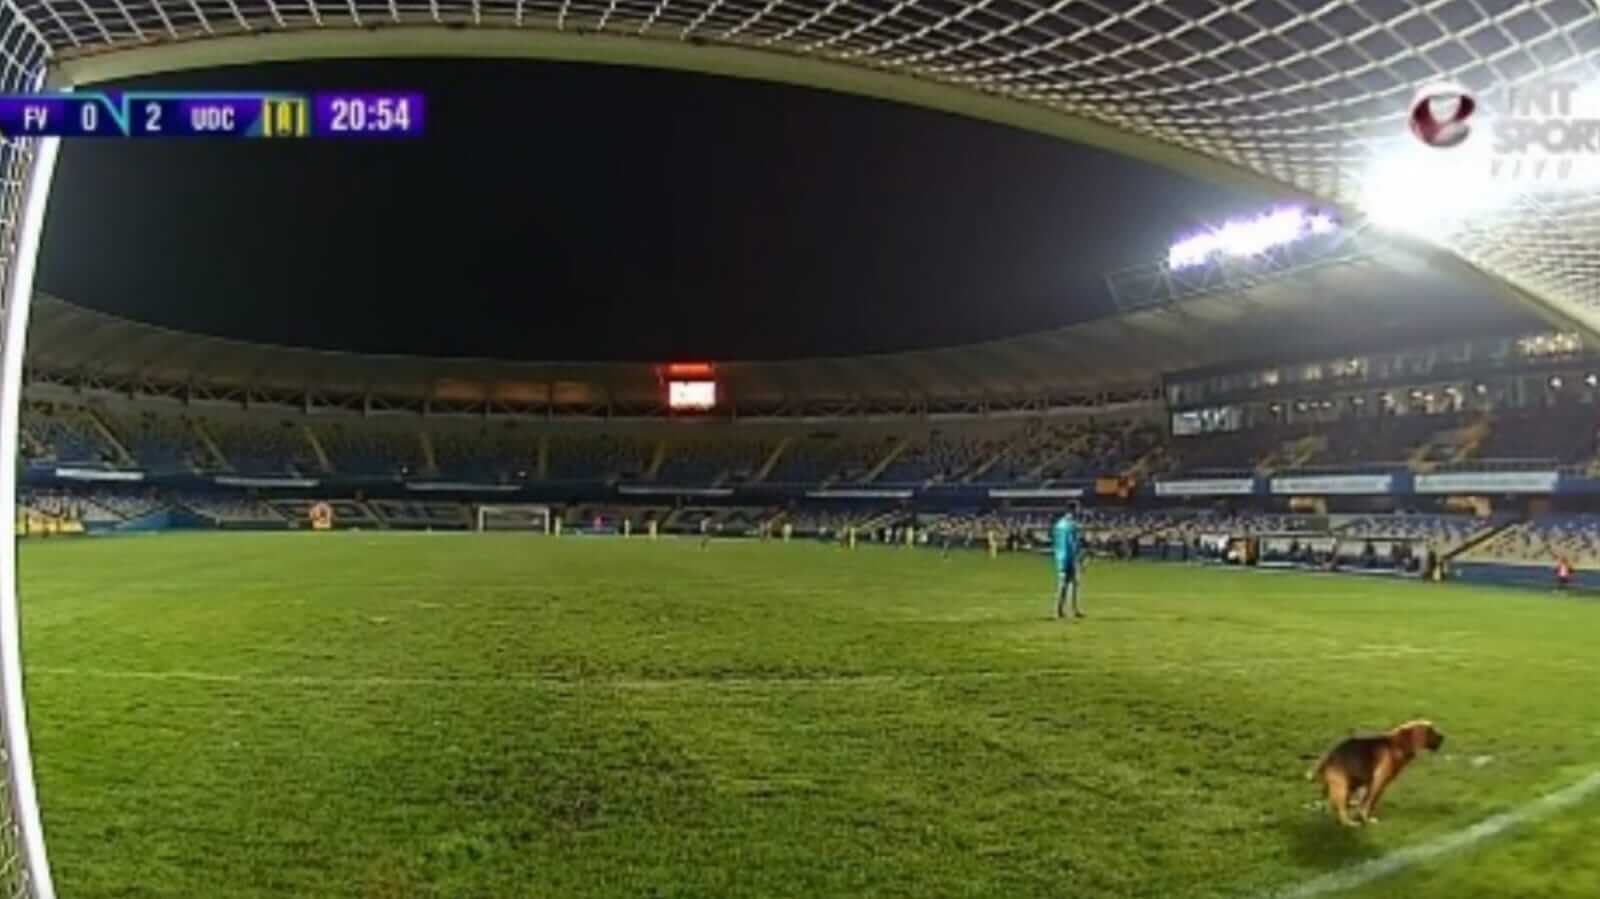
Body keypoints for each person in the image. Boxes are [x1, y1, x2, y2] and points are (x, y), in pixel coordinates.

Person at [1052, 509, 1084, 620]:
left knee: (1068, 584)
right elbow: (1073, 542)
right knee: (1070, 584)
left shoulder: (1058, 524)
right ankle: (1067, 610)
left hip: (1060, 557)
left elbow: (1055, 540)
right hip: (1069, 557)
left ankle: (1064, 610)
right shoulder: (1071, 525)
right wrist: (1078, 556)